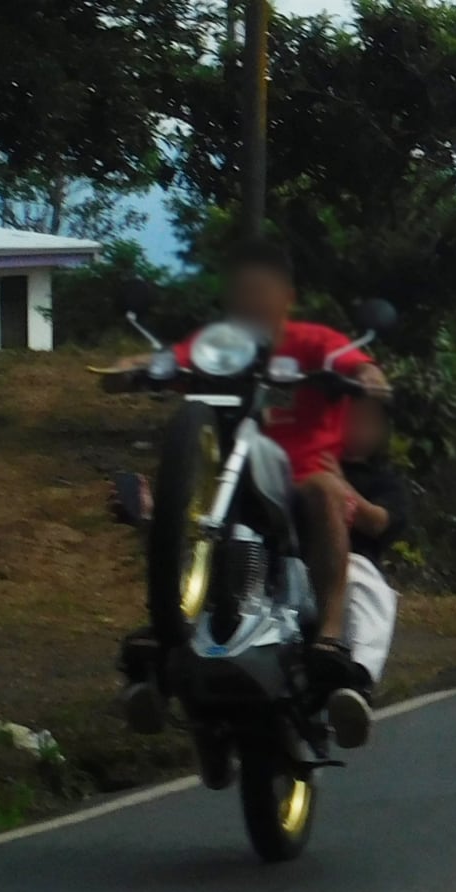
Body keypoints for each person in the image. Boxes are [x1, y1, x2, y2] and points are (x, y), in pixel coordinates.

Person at [109, 239, 387, 753]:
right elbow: (164, 359)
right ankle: (164, 645)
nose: (251, 300)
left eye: (263, 289)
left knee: (326, 489)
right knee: (163, 506)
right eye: (242, 290)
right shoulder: (218, 345)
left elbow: (361, 367)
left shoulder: (316, 343)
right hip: (226, 479)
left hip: (300, 480)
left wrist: (368, 378)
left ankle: (329, 636)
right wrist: (128, 368)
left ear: (287, 296)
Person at [108, 393, 408, 774]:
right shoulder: (277, 460)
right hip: (267, 568)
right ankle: (155, 681)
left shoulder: (381, 481)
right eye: (351, 417)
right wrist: (161, 512)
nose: (358, 427)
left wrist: (337, 489)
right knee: (213, 556)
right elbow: (210, 522)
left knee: (367, 588)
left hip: (338, 571)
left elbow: (380, 521)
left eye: (368, 421)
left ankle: (354, 684)